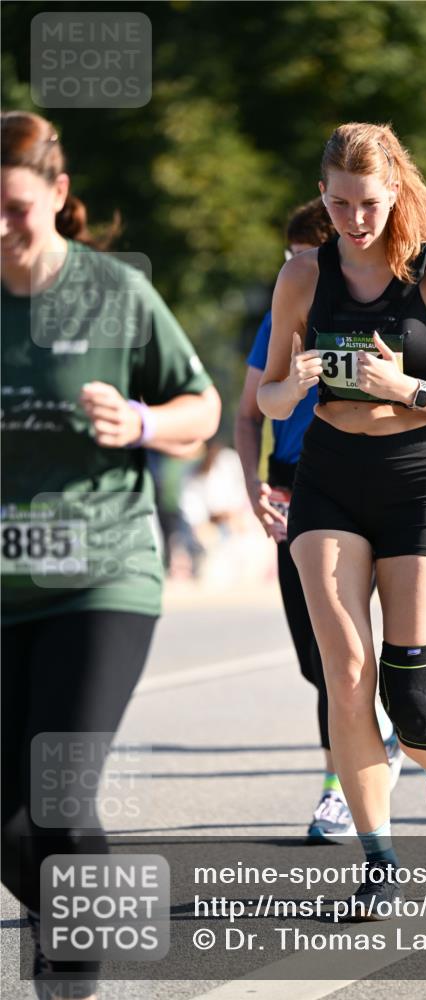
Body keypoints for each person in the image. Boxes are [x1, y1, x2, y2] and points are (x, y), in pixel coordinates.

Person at [258, 122, 426, 917]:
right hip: (327, 479)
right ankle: (376, 858)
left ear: (393, 193)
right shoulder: (303, 274)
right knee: (345, 677)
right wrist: (291, 386)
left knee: (410, 691)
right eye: (337, 204)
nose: (352, 220)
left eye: (365, 204)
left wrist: (409, 391)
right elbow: (262, 398)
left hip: (416, 478)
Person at [1, 111, 221, 997]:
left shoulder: (113, 293)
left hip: (100, 576)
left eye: (14, 206)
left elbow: (199, 409)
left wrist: (139, 421)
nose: (0, 227)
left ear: (57, 196)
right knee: (9, 824)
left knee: (56, 796)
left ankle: (73, 971)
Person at [236, 198, 405, 843]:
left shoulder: (385, 306)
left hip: (374, 475)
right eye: (285, 260)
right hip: (297, 486)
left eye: (297, 257)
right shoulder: (284, 315)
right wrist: (252, 481)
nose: (290, 270)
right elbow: (253, 410)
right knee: (319, 658)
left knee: (355, 657)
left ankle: (349, 780)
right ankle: (375, 736)